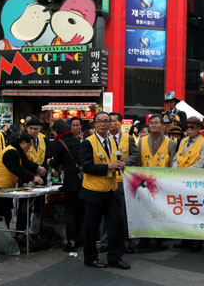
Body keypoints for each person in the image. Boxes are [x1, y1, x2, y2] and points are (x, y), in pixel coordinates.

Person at [79, 111, 129, 269]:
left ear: (110, 123)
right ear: (94, 124)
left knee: (116, 226)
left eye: (106, 121)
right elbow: (86, 166)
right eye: (99, 121)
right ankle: (91, 258)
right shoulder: (87, 142)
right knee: (91, 228)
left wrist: (119, 165)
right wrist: (109, 166)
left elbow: (114, 160)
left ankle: (115, 258)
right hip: (94, 192)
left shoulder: (112, 141)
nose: (103, 124)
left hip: (112, 190)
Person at [135, 114, 177, 250]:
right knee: (144, 211)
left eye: (156, 123)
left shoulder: (171, 143)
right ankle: (144, 238)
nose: (153, 125)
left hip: (162, 184)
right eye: (151, 123)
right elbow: (138, 161)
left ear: (162, 125)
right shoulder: (141, 141)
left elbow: (172, 164)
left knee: (161, 210)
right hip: (145, 183)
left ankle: (161, 238)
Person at [0, 133, 44, 227]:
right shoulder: (11, 152)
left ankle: (4, 237)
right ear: (24, 143)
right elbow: (17, 169)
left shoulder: (16, 151)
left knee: (6, 214)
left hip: (5, 188)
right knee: (2, 215)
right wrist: (33, 178)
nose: (29, 148)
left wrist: (37, 169)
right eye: (29, 145)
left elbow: (25, 163)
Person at [172, 116, 204, 251]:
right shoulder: (183, 141)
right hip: (181, 181)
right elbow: (176, 158)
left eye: (192, 127)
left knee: (196, 210)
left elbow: (202, 162)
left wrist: (185, 173)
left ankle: (197, 241)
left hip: (194, 182)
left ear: (199, 129)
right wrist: (176, 170)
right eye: (187, 127)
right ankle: (185, 238)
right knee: (184, 210)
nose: (189, 130)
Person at [109, 112, 140, 253]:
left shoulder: (128, 138)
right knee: (108, 213)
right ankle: (107, 241)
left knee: (124, 213)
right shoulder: (104, 139)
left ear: (120, 123)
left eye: (114, 121)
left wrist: (124, 162)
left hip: (123, 181)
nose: (111, 124)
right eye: (109, 121)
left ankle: (126, 241)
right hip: (107, 180)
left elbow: (135, 155)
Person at [50, 119, 83, 252]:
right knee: (80, 211)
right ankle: (80, 238)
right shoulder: (76, 140)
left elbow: (56, 163)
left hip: (70, 181)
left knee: (70, 211)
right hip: (82, 180)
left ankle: (71, 241)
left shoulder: (59, 143)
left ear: (56, 130)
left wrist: (50, 162)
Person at [16, 118, 52, 234]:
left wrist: (44, 170)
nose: (33, 131)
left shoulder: (44, 139)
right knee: (24, 206)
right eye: (31, 128)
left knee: (39, 205)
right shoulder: (21, 140)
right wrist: (36, 169)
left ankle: (36, 230)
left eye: (36, 129)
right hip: (27, 177)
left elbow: (48, 156)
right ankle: (20, 232)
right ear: (26, 128)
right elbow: (22, 159)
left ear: (40, 129)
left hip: (41, 178)